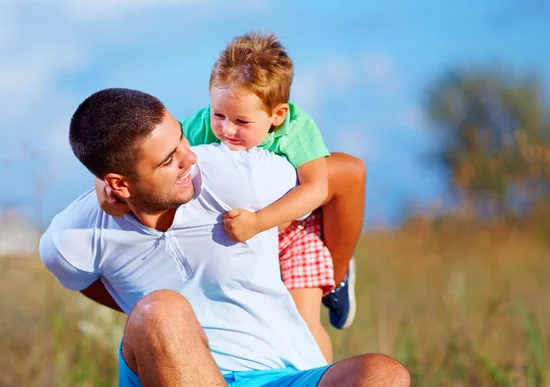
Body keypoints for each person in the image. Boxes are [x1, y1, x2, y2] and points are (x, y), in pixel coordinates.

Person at [41, 88, 410, 387]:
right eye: (168, 160)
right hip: (171, 374)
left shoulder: (236, 174)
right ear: (118, 185)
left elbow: (347, 174)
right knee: (158, 312)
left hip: (283, 375)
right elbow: (84, 280)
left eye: (182, 138)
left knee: (383, 375)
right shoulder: (71, 238)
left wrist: (336, 274)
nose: (190, 158)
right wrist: (169, 339)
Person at [95, 31, 365, 359]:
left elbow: (316, 187)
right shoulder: (199, 125)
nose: (226, 129)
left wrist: (261, 222)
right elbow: (152, 151)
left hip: (291, 232)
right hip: (237, 233)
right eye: (218, 115)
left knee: (302, 323)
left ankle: (319, 372)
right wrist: (102, 183)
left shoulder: (296, 129)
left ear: (276, 116)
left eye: (241, 121)